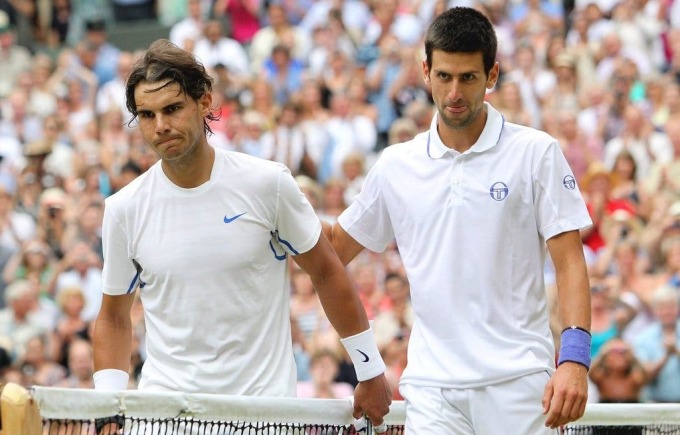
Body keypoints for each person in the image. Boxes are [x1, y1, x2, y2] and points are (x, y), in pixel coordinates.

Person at [91, 39, 391, 433]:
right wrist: (109, 408)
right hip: (164, 418)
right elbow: (113, 317)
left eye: (172, 108)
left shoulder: (268, 183)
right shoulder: (123, 209)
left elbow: (327, 271)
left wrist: (369, 369)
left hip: (263, 417)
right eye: (146, 115)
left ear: (204, 102)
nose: (160, 126)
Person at [323, 7, 593, 433]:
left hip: (520, 384)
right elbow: (334, 249)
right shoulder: (396, 164)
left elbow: (570, 262)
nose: (454, 92)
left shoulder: (536, 152)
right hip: (432, 390)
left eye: (468, 77)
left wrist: (575, 359)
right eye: (444, 76)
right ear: (426, 72)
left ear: (492, 75)